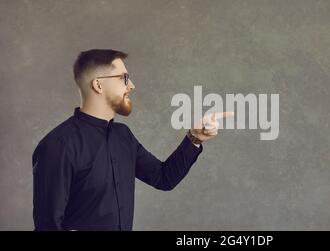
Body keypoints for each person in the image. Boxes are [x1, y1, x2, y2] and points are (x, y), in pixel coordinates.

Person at [32, 49, 233, 230]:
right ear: (98, 85)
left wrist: (195, 138)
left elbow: (164, 178)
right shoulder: (57, 145)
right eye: (124, 78)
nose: (132, 85)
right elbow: (47, 226)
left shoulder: (123, 136)